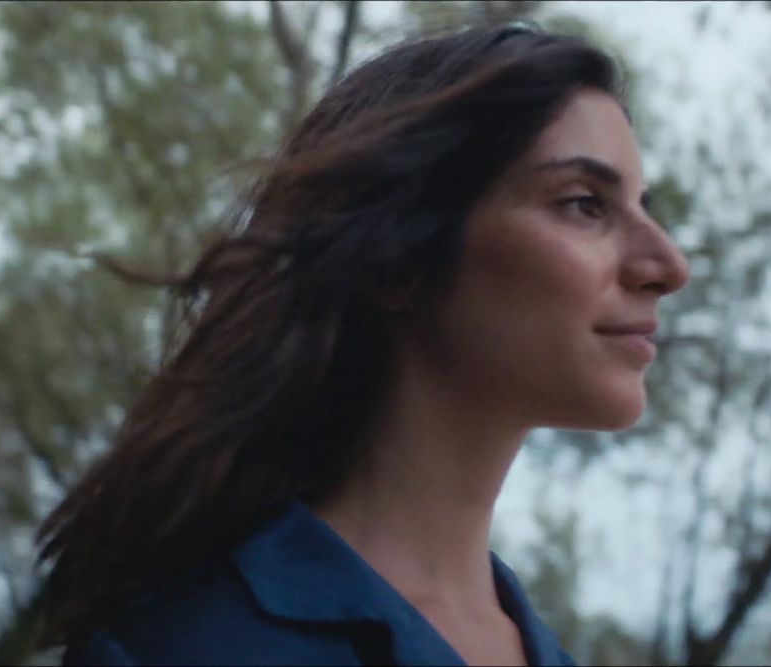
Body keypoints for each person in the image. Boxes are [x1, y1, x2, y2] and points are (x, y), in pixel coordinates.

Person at [38, 21, 690, 666]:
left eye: (643, 205)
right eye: (584, 204)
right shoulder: (186, 646)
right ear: (397, 259)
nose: (668, 263)